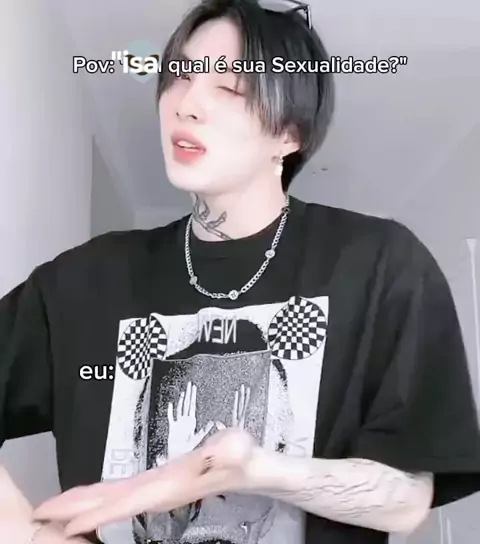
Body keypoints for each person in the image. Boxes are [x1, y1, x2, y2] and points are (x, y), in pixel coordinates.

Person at [1, 0, 480, 543]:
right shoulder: (84, 281)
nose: (186, 104)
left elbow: (406, 500)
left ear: (290, 134)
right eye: (180, 75)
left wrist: (252, 470)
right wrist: (28, 535)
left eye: (229, 87)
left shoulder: (380, 265)